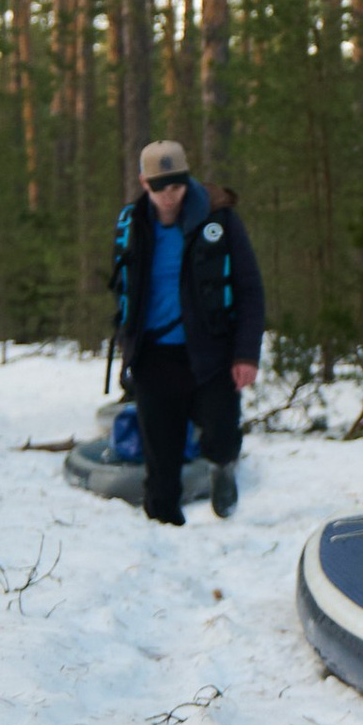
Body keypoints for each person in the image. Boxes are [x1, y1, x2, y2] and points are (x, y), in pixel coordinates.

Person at [111, 139, 265, 528]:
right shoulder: (133, 224)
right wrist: (127, 348)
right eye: (160, 187)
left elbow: (249, 288)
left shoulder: (219, 219)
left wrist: (246, 354)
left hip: (211, 353)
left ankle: (222, 468)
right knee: (160, 464)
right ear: (145, 182)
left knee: (222, 436)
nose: (169, 195)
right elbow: (124, 289)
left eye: (177, 186)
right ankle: (164, 539)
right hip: (154, 357)